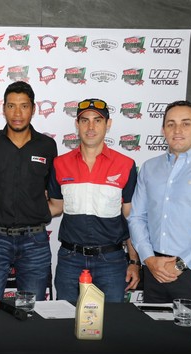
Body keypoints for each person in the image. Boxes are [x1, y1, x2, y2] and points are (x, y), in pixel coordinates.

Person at [128, 100, 191, 303]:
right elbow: (136, 217)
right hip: (154, 271)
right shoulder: (149, 168)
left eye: (186, 123)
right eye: (171, 124)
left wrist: (182, 263)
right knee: (152, 324)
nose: (177, 130)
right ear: (163, 130)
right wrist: (148, 259)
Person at [48, 98, 140, 303]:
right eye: (85, 121)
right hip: (70, 260)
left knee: (112, 319)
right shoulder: (60, 164)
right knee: (65, 318)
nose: (91, 127)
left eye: (97, 121)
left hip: (111, 261)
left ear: (108, 124)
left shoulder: (126, 165)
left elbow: (131, 217)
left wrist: (134, 261)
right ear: (77, 125)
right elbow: (55, 207)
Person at [0, 81, 58, 301]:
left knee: (33, 311)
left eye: (24, 106)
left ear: (33, 109)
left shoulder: (47, 146)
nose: (17, 113)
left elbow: (51, 191)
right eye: (11, 106)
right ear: (3, 109)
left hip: (35, 241)